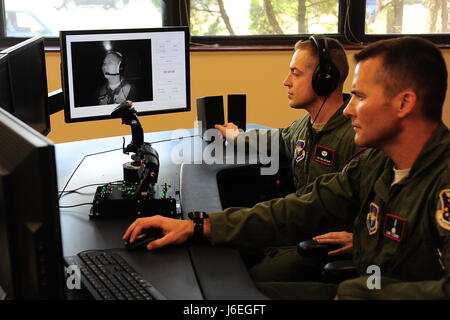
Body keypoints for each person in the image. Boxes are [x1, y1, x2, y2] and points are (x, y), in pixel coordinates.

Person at [123, 36, 449, 299]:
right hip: (360, 287)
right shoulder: (377, 162)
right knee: (232, 296)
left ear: (405, 103)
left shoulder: (442, 181)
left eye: (359, 97)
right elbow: (302, 208)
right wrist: (198, 225)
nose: (348, 109)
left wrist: (362, 292)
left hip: (363, 291)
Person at [214, 36, 360, 282]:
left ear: (325, 78)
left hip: (323, 246)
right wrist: (237, 136)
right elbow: (278, 138)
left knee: (254, 281)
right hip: (297, 230)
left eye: (296, 73)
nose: (286, 81)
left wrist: (363, 238)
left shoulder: (356, 136)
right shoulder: (305, 126)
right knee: (228, 251)